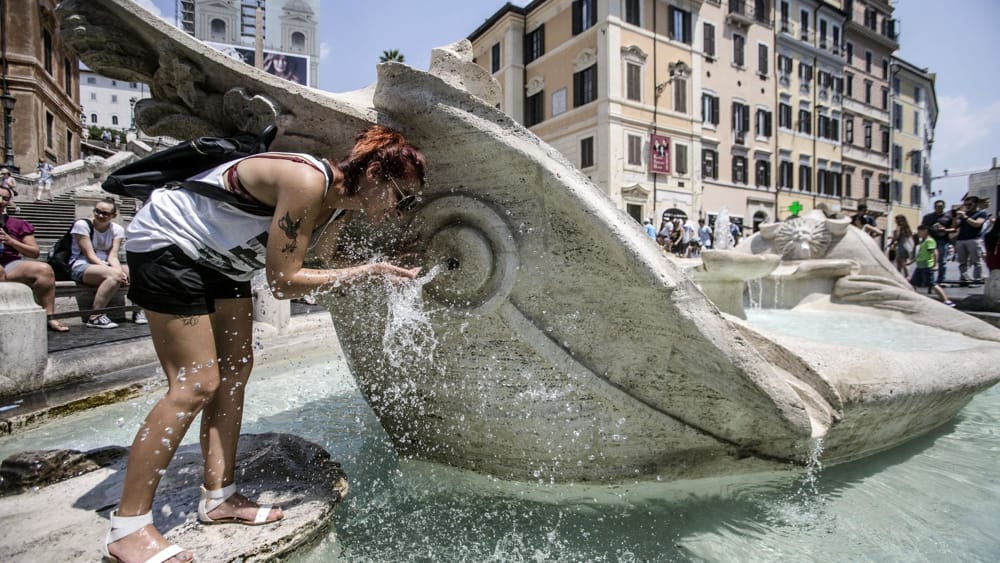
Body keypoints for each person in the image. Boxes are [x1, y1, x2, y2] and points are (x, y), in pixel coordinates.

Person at [103, 125, 426, 563]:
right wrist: (372, 271)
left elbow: (327, 261)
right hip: (170, 244)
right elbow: (284, 281)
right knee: (195, 383)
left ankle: (219, 497)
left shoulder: (337, 208)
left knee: (236, 370)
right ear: (374, 176)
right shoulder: (307, 180)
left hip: (223, 265)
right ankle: (129, 527)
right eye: (400, 198)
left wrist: (391, 263)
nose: (400, 211)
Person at [0, 185, 69, 331]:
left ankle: (49, 317)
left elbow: (34, 252)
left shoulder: (18, 224)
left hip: (10, 264)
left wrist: (11, 241)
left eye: (5, 198)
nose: (1, 201)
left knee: (44, 269)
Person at [68, 197, 142, 328]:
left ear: (114, 215)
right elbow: (89, 255)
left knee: (137, 272)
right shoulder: (82, 225)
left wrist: (118, 270)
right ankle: (95, 316)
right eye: (97, 211)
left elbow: (113, 256)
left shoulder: (117, 229)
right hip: (81, 265)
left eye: (105, 213)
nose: (100, 215)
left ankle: (138, 311)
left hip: (105, 265)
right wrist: (116, 272)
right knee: (114, 276)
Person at [910, 224, 954, 306]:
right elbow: (920, 254)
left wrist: (935, 264)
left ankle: (946, 300)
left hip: (926, 265)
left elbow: (934, 253)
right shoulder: (922, 241)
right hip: (920, 265)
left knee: (932, 284)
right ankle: (915, 300)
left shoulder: (929, 241)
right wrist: (912, 261)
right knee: (913, 283)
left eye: (920, 232)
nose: (918, 233)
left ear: (925, 231)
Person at [953, 195, 989, 285]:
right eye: (966, 204)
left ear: (975, 204)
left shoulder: (981, 213)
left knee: (976, 261)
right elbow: (955, 226)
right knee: (962, 261)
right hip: (961, 239)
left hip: (973, 239)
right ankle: (964, 277)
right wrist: (955, 216)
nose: (967, 206)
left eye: (970, 204)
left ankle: (977, 278)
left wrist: (965, 217)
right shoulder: (964, 214)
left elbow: (977, 224)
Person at [920, 199, 954, 284]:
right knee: (926, 259)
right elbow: (923, 228)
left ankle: (940, 280)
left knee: (942, 261)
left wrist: (945, 229)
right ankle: (927, 279)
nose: (938, 208)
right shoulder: (927, 217)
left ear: (944, 207)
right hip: (930, 240)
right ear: (934, 207)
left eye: (940, 206)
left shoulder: (948, 217)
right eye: (936, 206)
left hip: (943, 240)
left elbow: (954, 228)